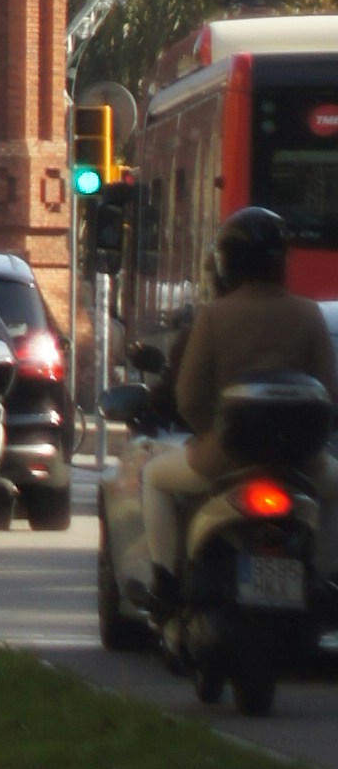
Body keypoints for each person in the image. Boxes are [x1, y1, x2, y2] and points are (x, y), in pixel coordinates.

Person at [141, 208, 337, 597]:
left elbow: (190, 396)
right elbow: (329, 395)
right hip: (300, 461)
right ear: (281, 261)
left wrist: (211, 437)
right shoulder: (310, 314)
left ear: (226, 264)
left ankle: (165, 579)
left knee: (153, 478)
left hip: (223, 457)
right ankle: (327, 578)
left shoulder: (213, 316)